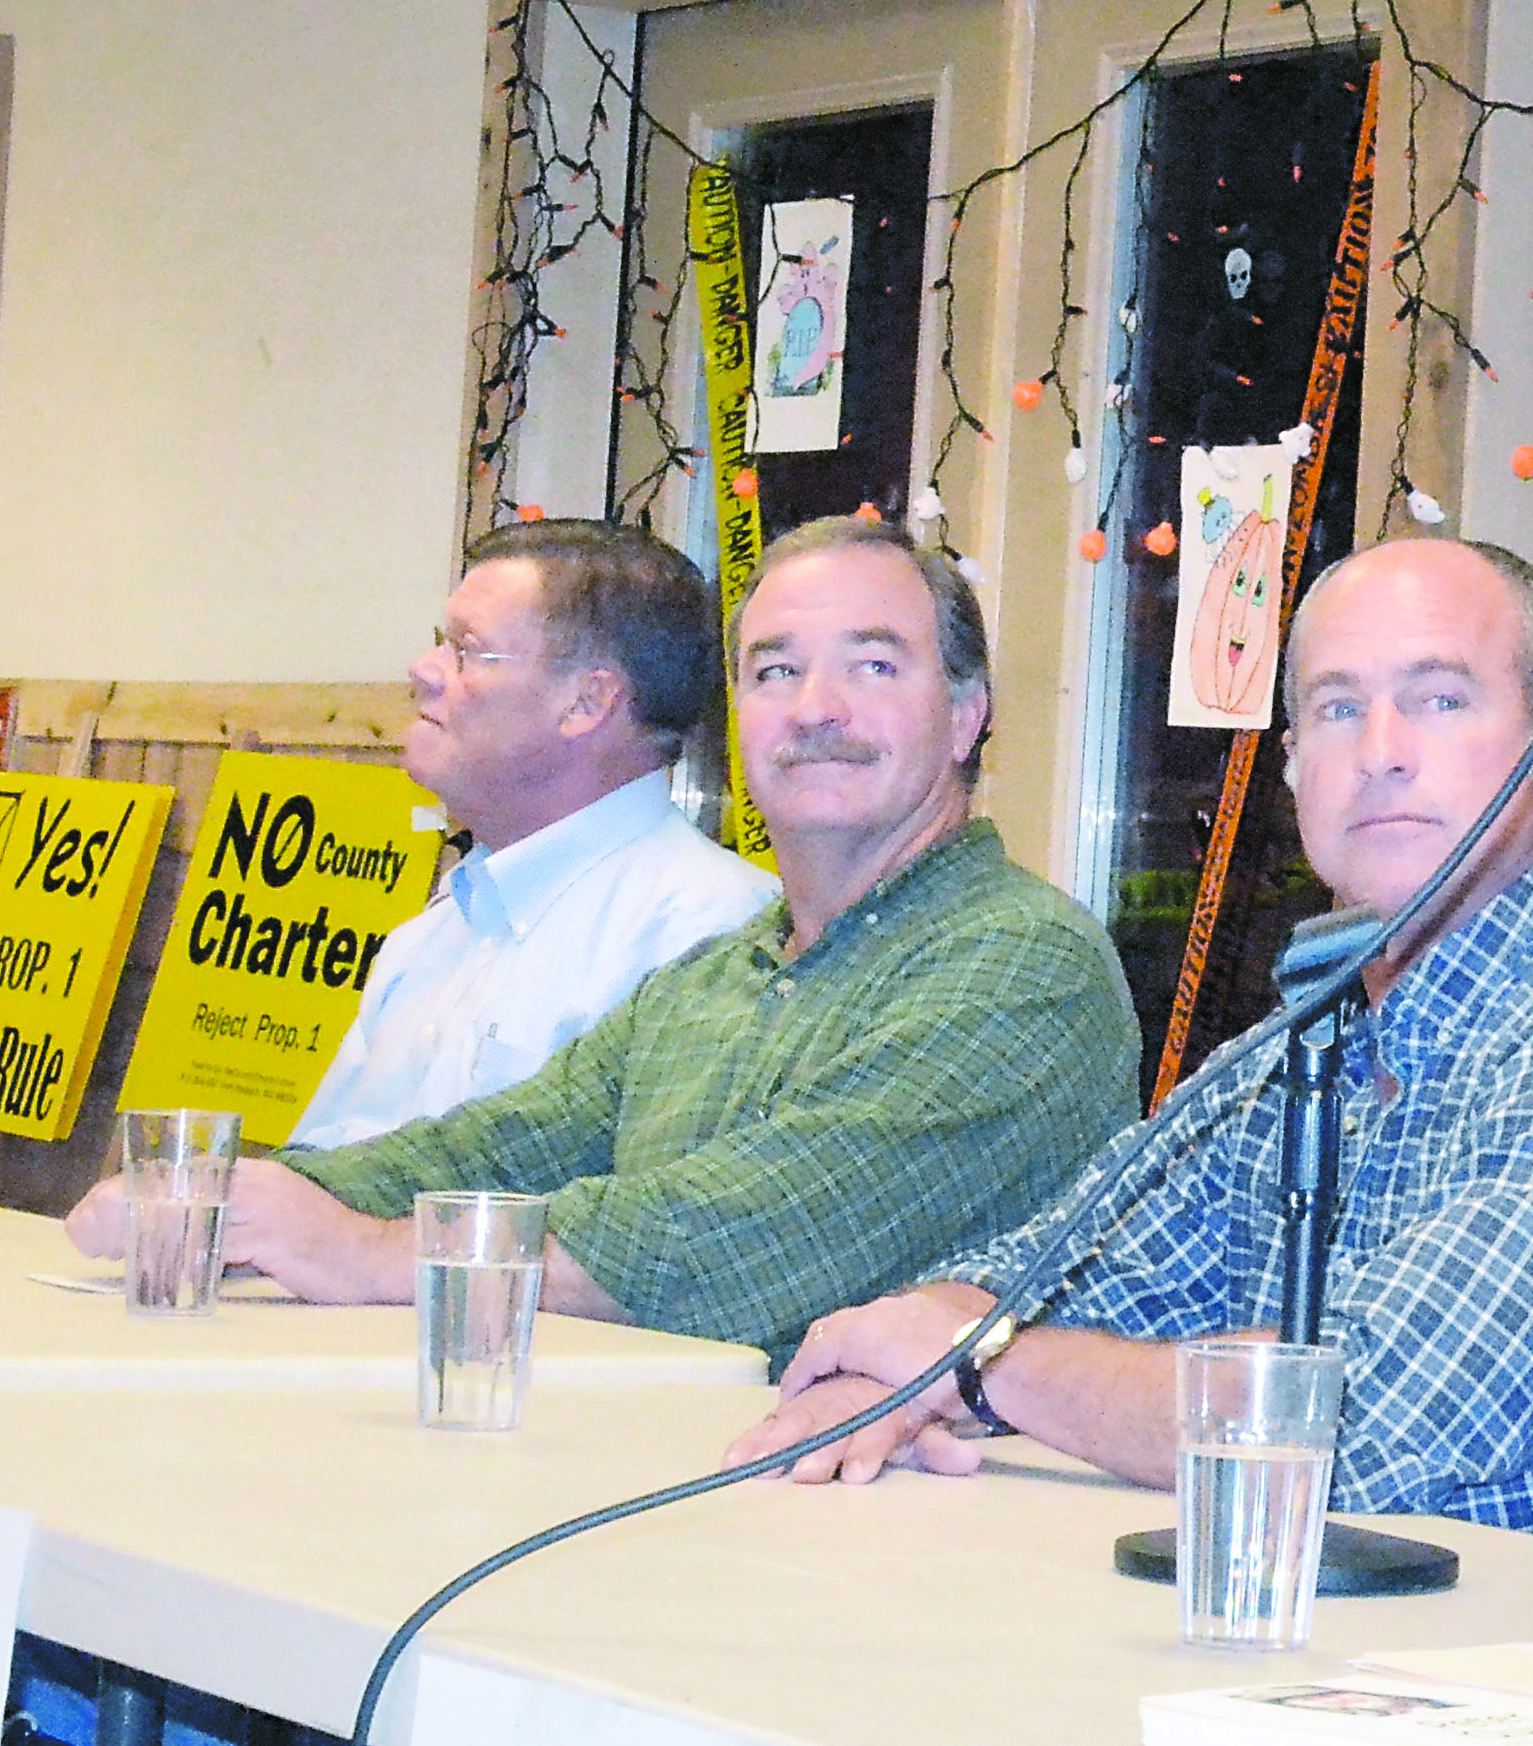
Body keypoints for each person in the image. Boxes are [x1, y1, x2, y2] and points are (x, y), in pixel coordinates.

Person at [724, 537, 1533, 1593]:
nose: (1381, 750)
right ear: (1296, 770)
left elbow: (1356, 1425)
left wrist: (975, 1360)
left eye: (1440, 698)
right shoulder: (1300, 1044)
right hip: (1376, 1695)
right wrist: (912, 1362)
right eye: (1336, 708)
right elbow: (1039, 1272)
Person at [68, 516, 1136, 1362]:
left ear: (964, 716)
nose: (816, 708)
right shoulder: (716, 979)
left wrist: (372, 1252)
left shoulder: (1027, 964)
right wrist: (221, 1196)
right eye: (772, 671)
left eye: (873, 665)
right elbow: (486, 1146)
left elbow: (749, 1235)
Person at [284, 518, 774, 1151]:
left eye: (466, 649)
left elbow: (650, 1235)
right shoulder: (432, 934)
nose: (423, 670)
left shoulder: (706, 937)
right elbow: (315, 1175)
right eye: (440, 641)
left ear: (586, 704)